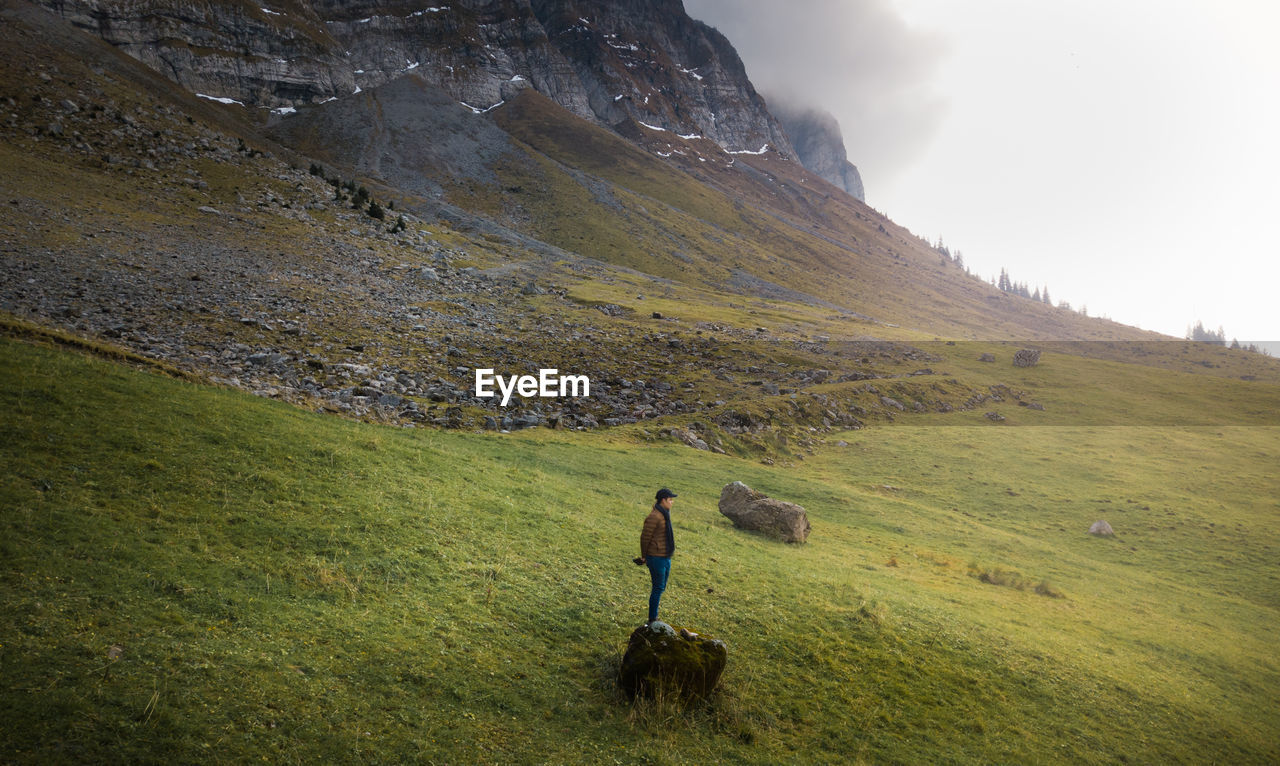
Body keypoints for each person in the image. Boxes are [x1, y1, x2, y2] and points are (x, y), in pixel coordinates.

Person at [638, 488, 677, 625]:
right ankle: (652, 619)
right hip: (656, 557)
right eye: (670, 499)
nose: (672, 502)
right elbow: (645, 537)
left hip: (665, 556)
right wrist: (644, 557)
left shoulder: (665, 514)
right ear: (663, 500)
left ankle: (653, 618)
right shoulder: (655, 516)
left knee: (661, 587)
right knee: (658, 587)